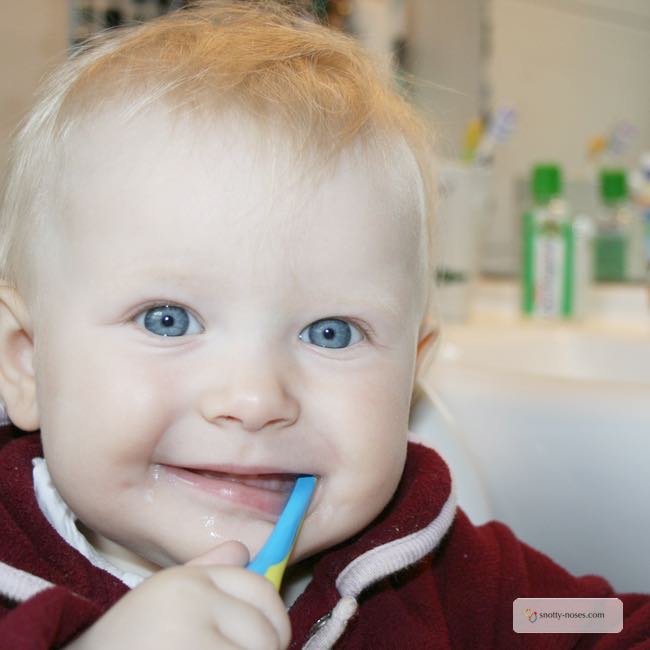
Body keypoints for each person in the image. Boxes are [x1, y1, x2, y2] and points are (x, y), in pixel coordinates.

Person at [0, 2, 647, 648]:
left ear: (412, 371)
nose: (255, 401)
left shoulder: (447, 576)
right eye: (168, 320)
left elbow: (593, 623)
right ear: (26, 362)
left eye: (330, 332)